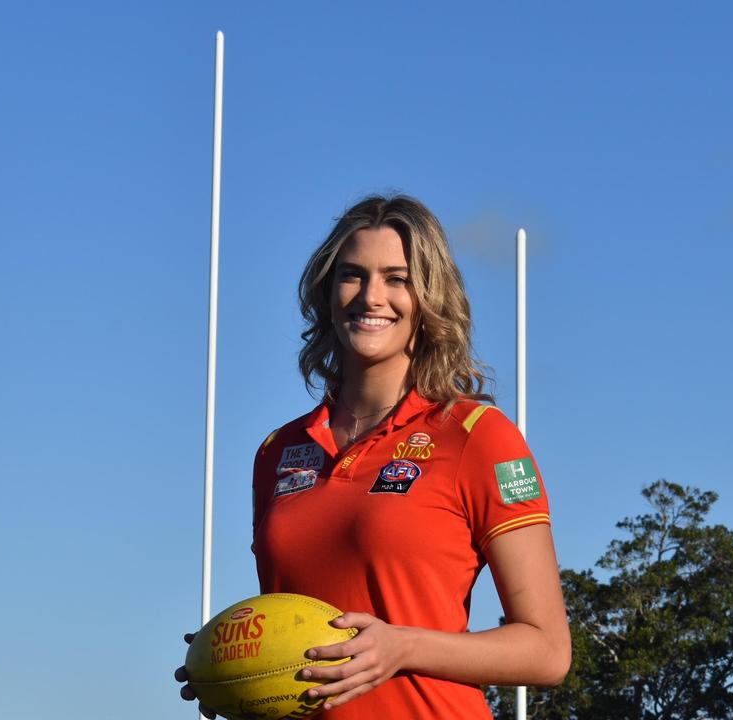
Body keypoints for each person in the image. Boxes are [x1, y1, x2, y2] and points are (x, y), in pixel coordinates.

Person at [177, 194, 570, 719]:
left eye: (397, 278)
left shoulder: (479, 436)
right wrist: (234, 660)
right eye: (352, 275)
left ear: (429, 296)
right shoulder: (277, 452)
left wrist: (402, 646)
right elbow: (297, 630)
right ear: (327, 291)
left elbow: (548, 651)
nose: (371, 296)